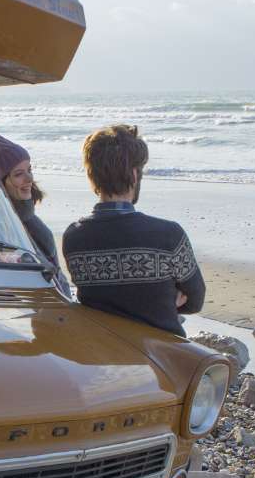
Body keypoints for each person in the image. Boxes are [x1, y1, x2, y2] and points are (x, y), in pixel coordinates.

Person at [60, 124, 205, 335]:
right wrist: (162, 304)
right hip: (162, 356)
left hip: (103, 352)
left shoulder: (74, 236)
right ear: (135, 175)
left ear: (93, 176)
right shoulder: (168, 235)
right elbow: (195, 301)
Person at [0, 132, 61, 269]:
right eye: (18, 174)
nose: (29, 179)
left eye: (29, 170)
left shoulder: (26, 221)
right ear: (0, 183)